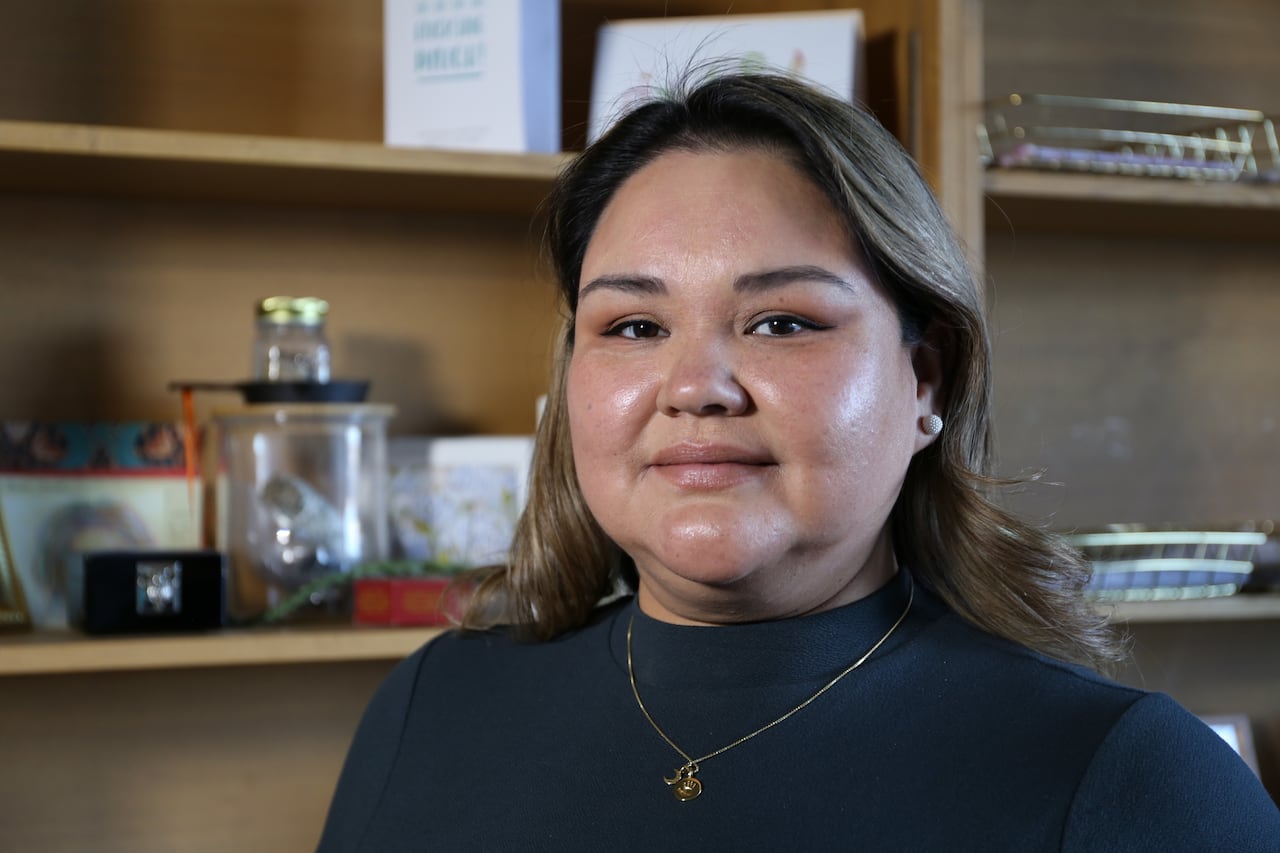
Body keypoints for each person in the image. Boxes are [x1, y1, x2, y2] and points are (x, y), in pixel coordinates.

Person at [317, 72, 1280, 851]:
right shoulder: (430, 705)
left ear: (926, 383)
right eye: (635, 324)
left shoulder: (1134, 779)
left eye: (782, 321)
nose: (695, 385)